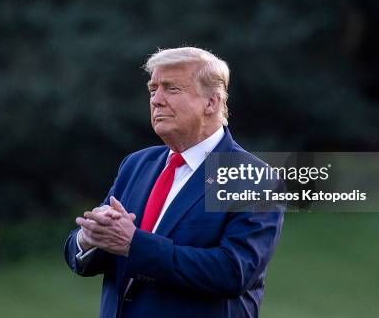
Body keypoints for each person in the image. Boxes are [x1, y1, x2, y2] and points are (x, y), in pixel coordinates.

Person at [64, 46, 284, 318]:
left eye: (171, 88)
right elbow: (86, 255)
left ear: (211, 102)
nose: (156, 99)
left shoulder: (251, 176)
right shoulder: (136, 164)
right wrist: (87, 239)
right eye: (153, 89)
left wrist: (134, 243)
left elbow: (232, 272)